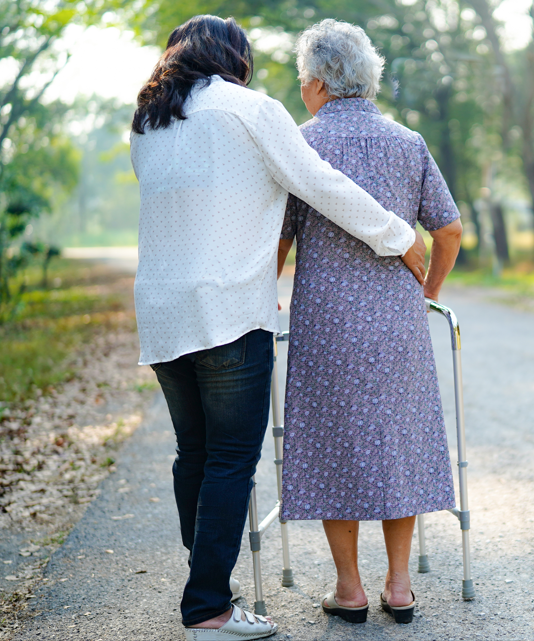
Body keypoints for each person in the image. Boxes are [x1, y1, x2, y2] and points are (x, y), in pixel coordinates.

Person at [129, 15, 427, 641]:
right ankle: (208, 607)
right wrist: (399, 236)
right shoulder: (250, 109)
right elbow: (320, 184)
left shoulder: (148, 120)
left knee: (195, 454)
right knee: (232, 460)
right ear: (234, 59)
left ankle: (209, 585)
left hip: (162, 310)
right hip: (230, 310)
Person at [276, 19, 464, 626]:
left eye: (304, 78)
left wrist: (266, 293)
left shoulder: (299, 144)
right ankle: (401, 585)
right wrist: (429, 291)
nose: (303, 89)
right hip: (397, 323)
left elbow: (277, 238)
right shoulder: (408, 142)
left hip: (326, 322)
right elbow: (449, 229)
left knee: (337, 445)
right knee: (397, 444)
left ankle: (350, 589)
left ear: (321, 83)